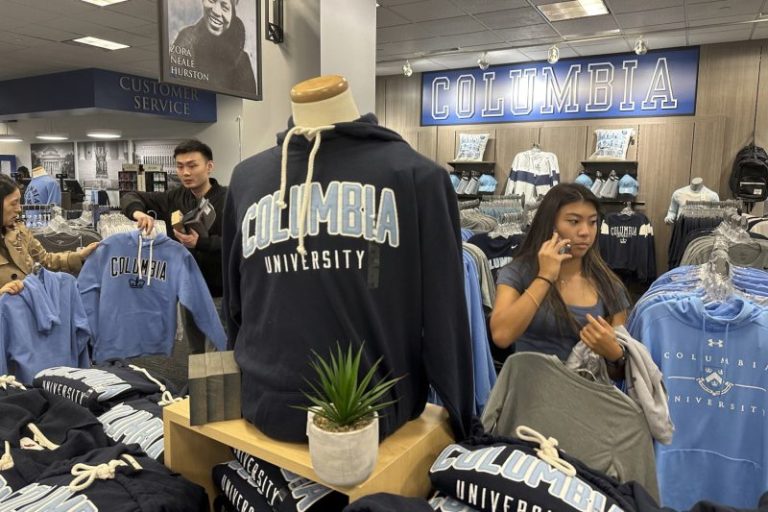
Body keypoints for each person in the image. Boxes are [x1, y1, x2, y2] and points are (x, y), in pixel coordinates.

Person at [490, 183, 631, 368]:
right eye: (574, 221)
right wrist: (545, 277)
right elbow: (502, 335)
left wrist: (614, 353)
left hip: (584, 384)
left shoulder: (608, 284)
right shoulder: (519, 272)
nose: (585, 232)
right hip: (528, 383)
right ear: (551, 225)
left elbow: (619, 370)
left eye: (592, 222)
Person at [120, 139, 226, 299]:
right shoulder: (173, 197)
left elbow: (239, 242)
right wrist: (138, 213)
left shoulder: (229, 199)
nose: (185, 173)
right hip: (181, 289)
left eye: (192, 166)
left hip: (219, 292)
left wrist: (201, 243)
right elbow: (130, 196)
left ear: (209, 166)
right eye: (180, 166)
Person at [0, 174, 99, 296]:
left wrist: (79, 256)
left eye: (19, 202)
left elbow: (45, 261)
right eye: (13, 203)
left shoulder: (20, 230)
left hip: (32, 304)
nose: (19, 209)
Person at [171, 0, 257, 95]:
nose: (216, 11)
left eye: (224, 7)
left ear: (232, 13)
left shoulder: (241, 60)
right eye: (211, 0)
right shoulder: (186, 40)